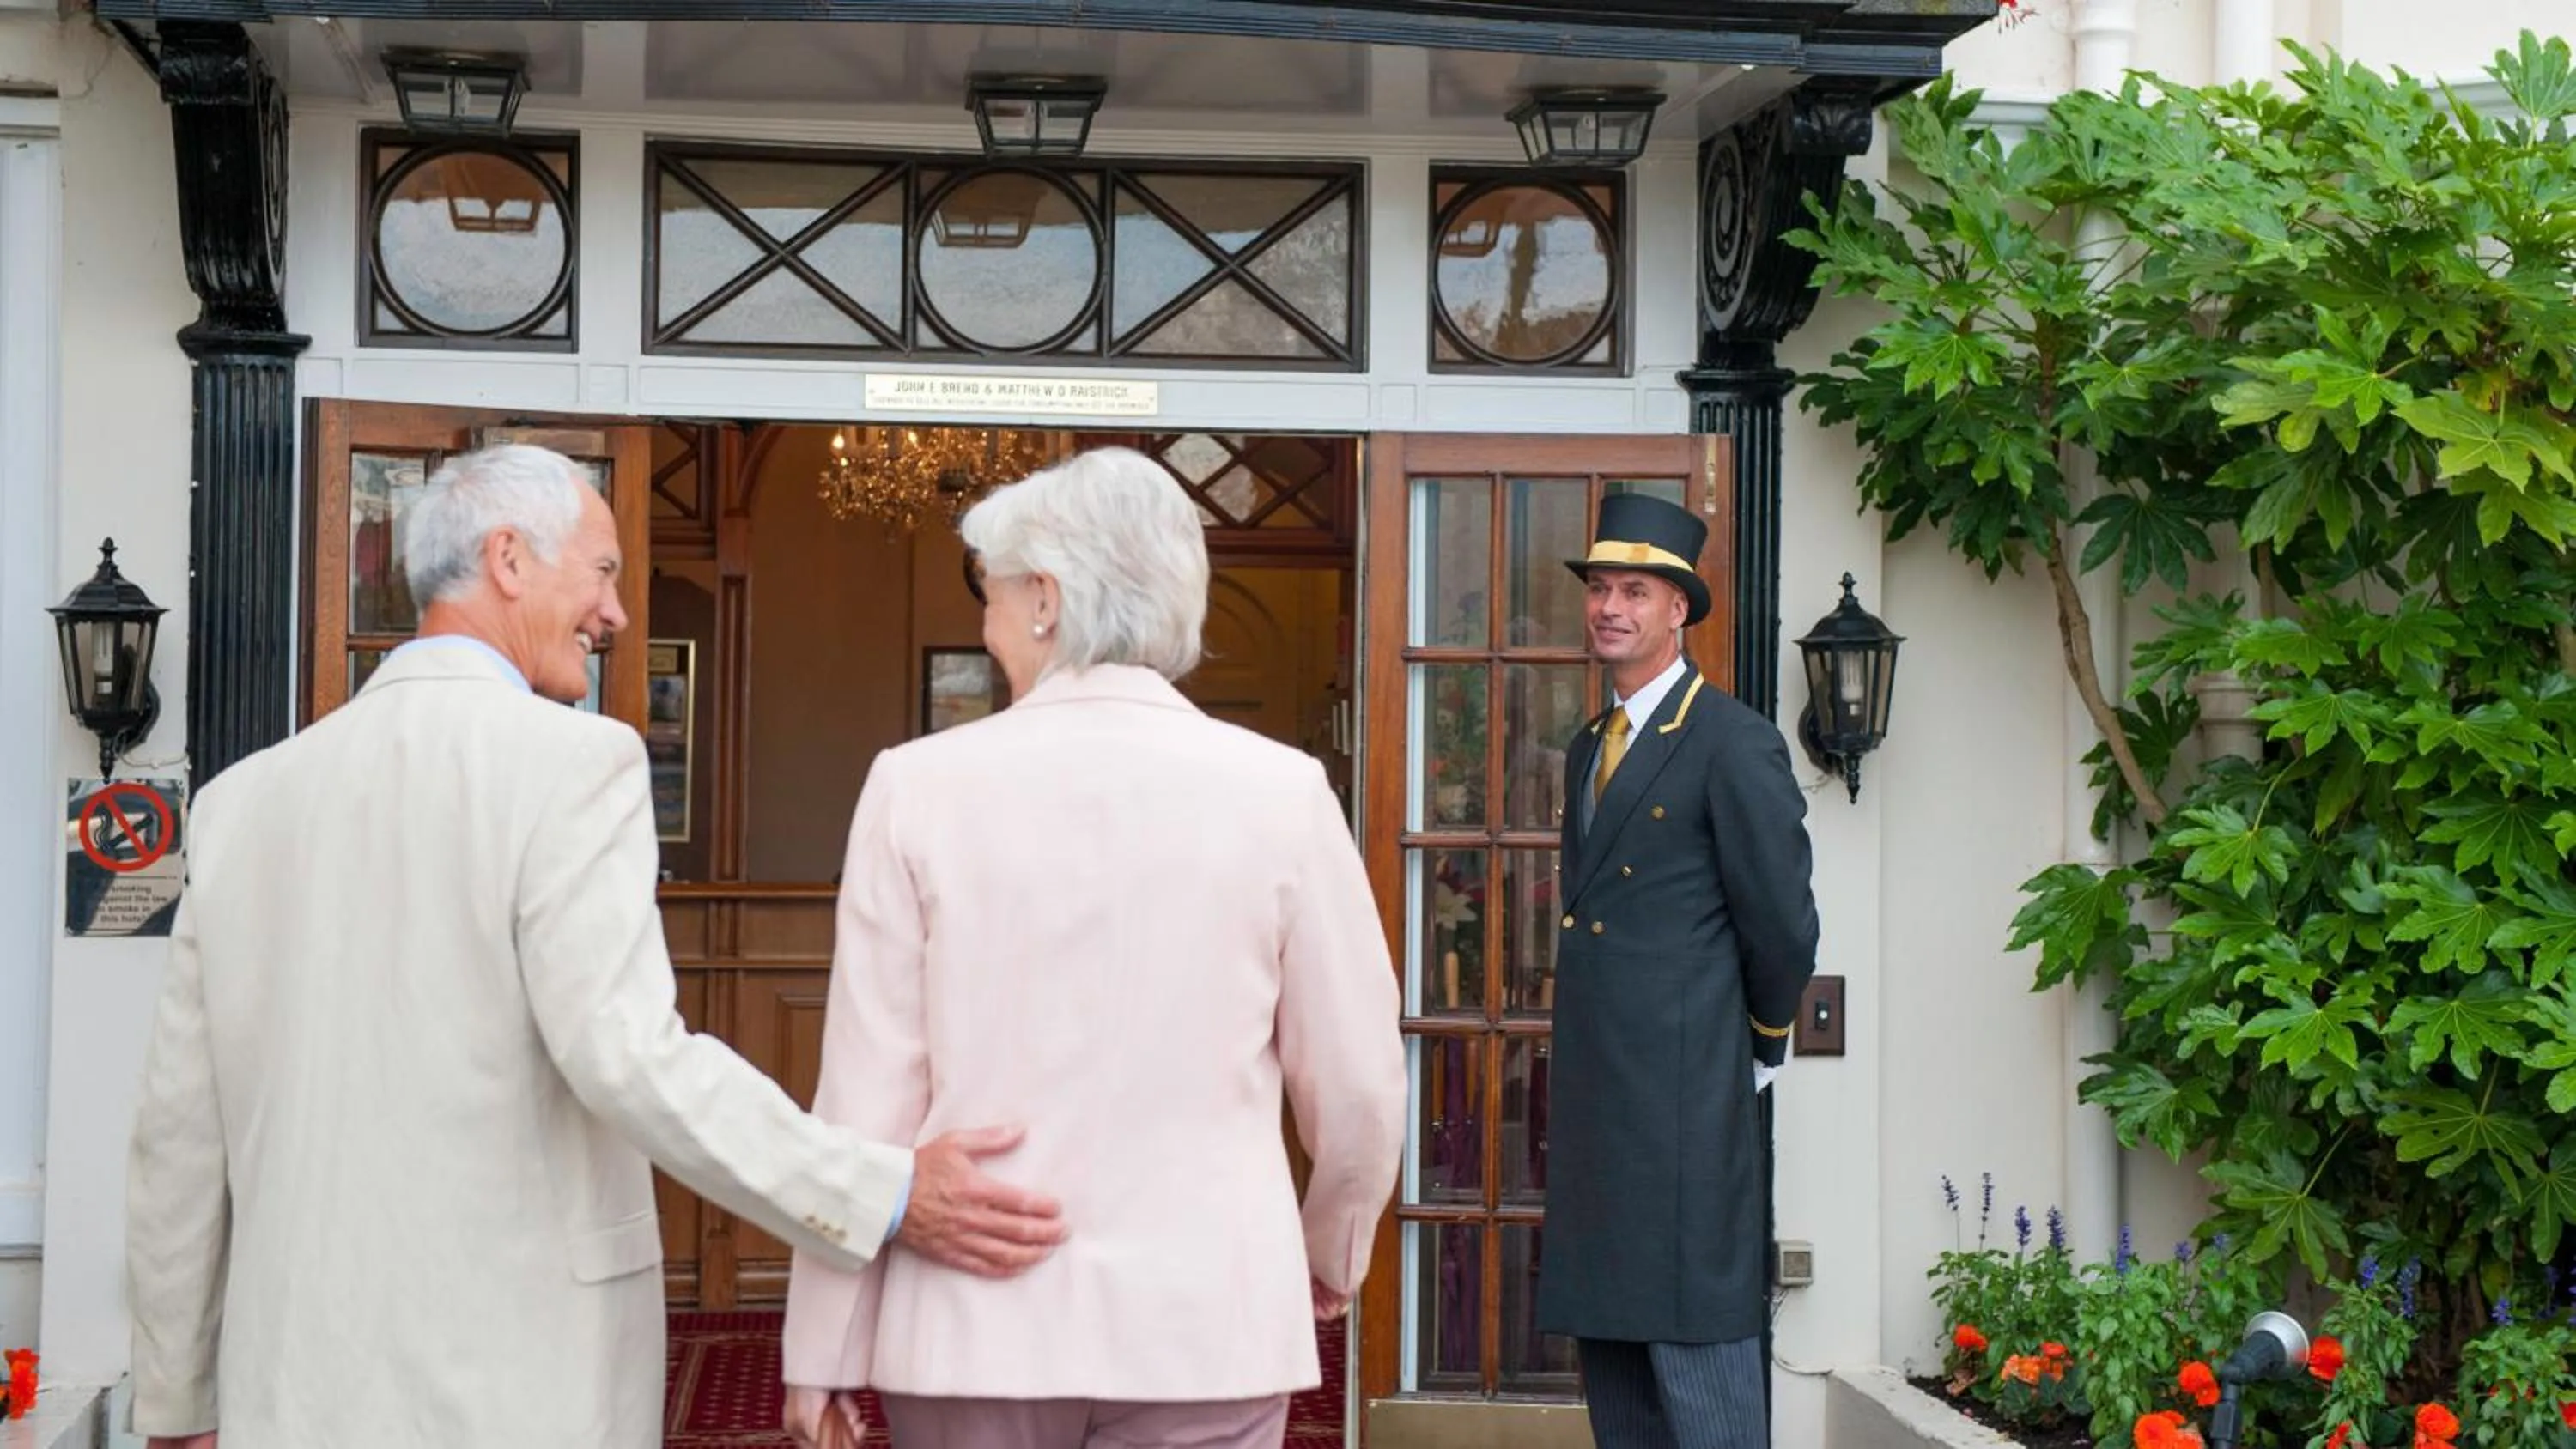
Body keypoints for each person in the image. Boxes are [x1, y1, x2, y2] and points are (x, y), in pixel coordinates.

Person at [123, 444, 1066, 1449]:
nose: (617, 612)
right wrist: (877, 1190)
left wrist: (178, 1402)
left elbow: (181, 1131)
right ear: (509, 560)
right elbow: (630, 1058)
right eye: (605, 570)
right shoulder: (576, 763)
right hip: (511, 1379)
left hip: (290, 1382)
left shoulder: (240, 803)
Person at [779, 446, 1407, 1449]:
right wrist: (1329, 1248)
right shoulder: (1282, 789)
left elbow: (866, 1096)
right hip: (1211, 1314)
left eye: (991, 593)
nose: (984, 624)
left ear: (1044, 599)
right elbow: (1364, 1085)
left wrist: (825, 1339)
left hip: (971, 1320)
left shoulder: (916, 785)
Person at [1535, 492, 1820, 1449]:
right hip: (1598, 1091)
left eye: (1636, 591)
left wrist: (1763, 1040)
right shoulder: (1590, 743)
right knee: (1615, 1354)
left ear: (1679, 611)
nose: (1610, 607)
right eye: (1602, 588)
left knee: (1696, 1345)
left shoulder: (1732, 739)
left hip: (1684, 1094)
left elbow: (1781, 921)